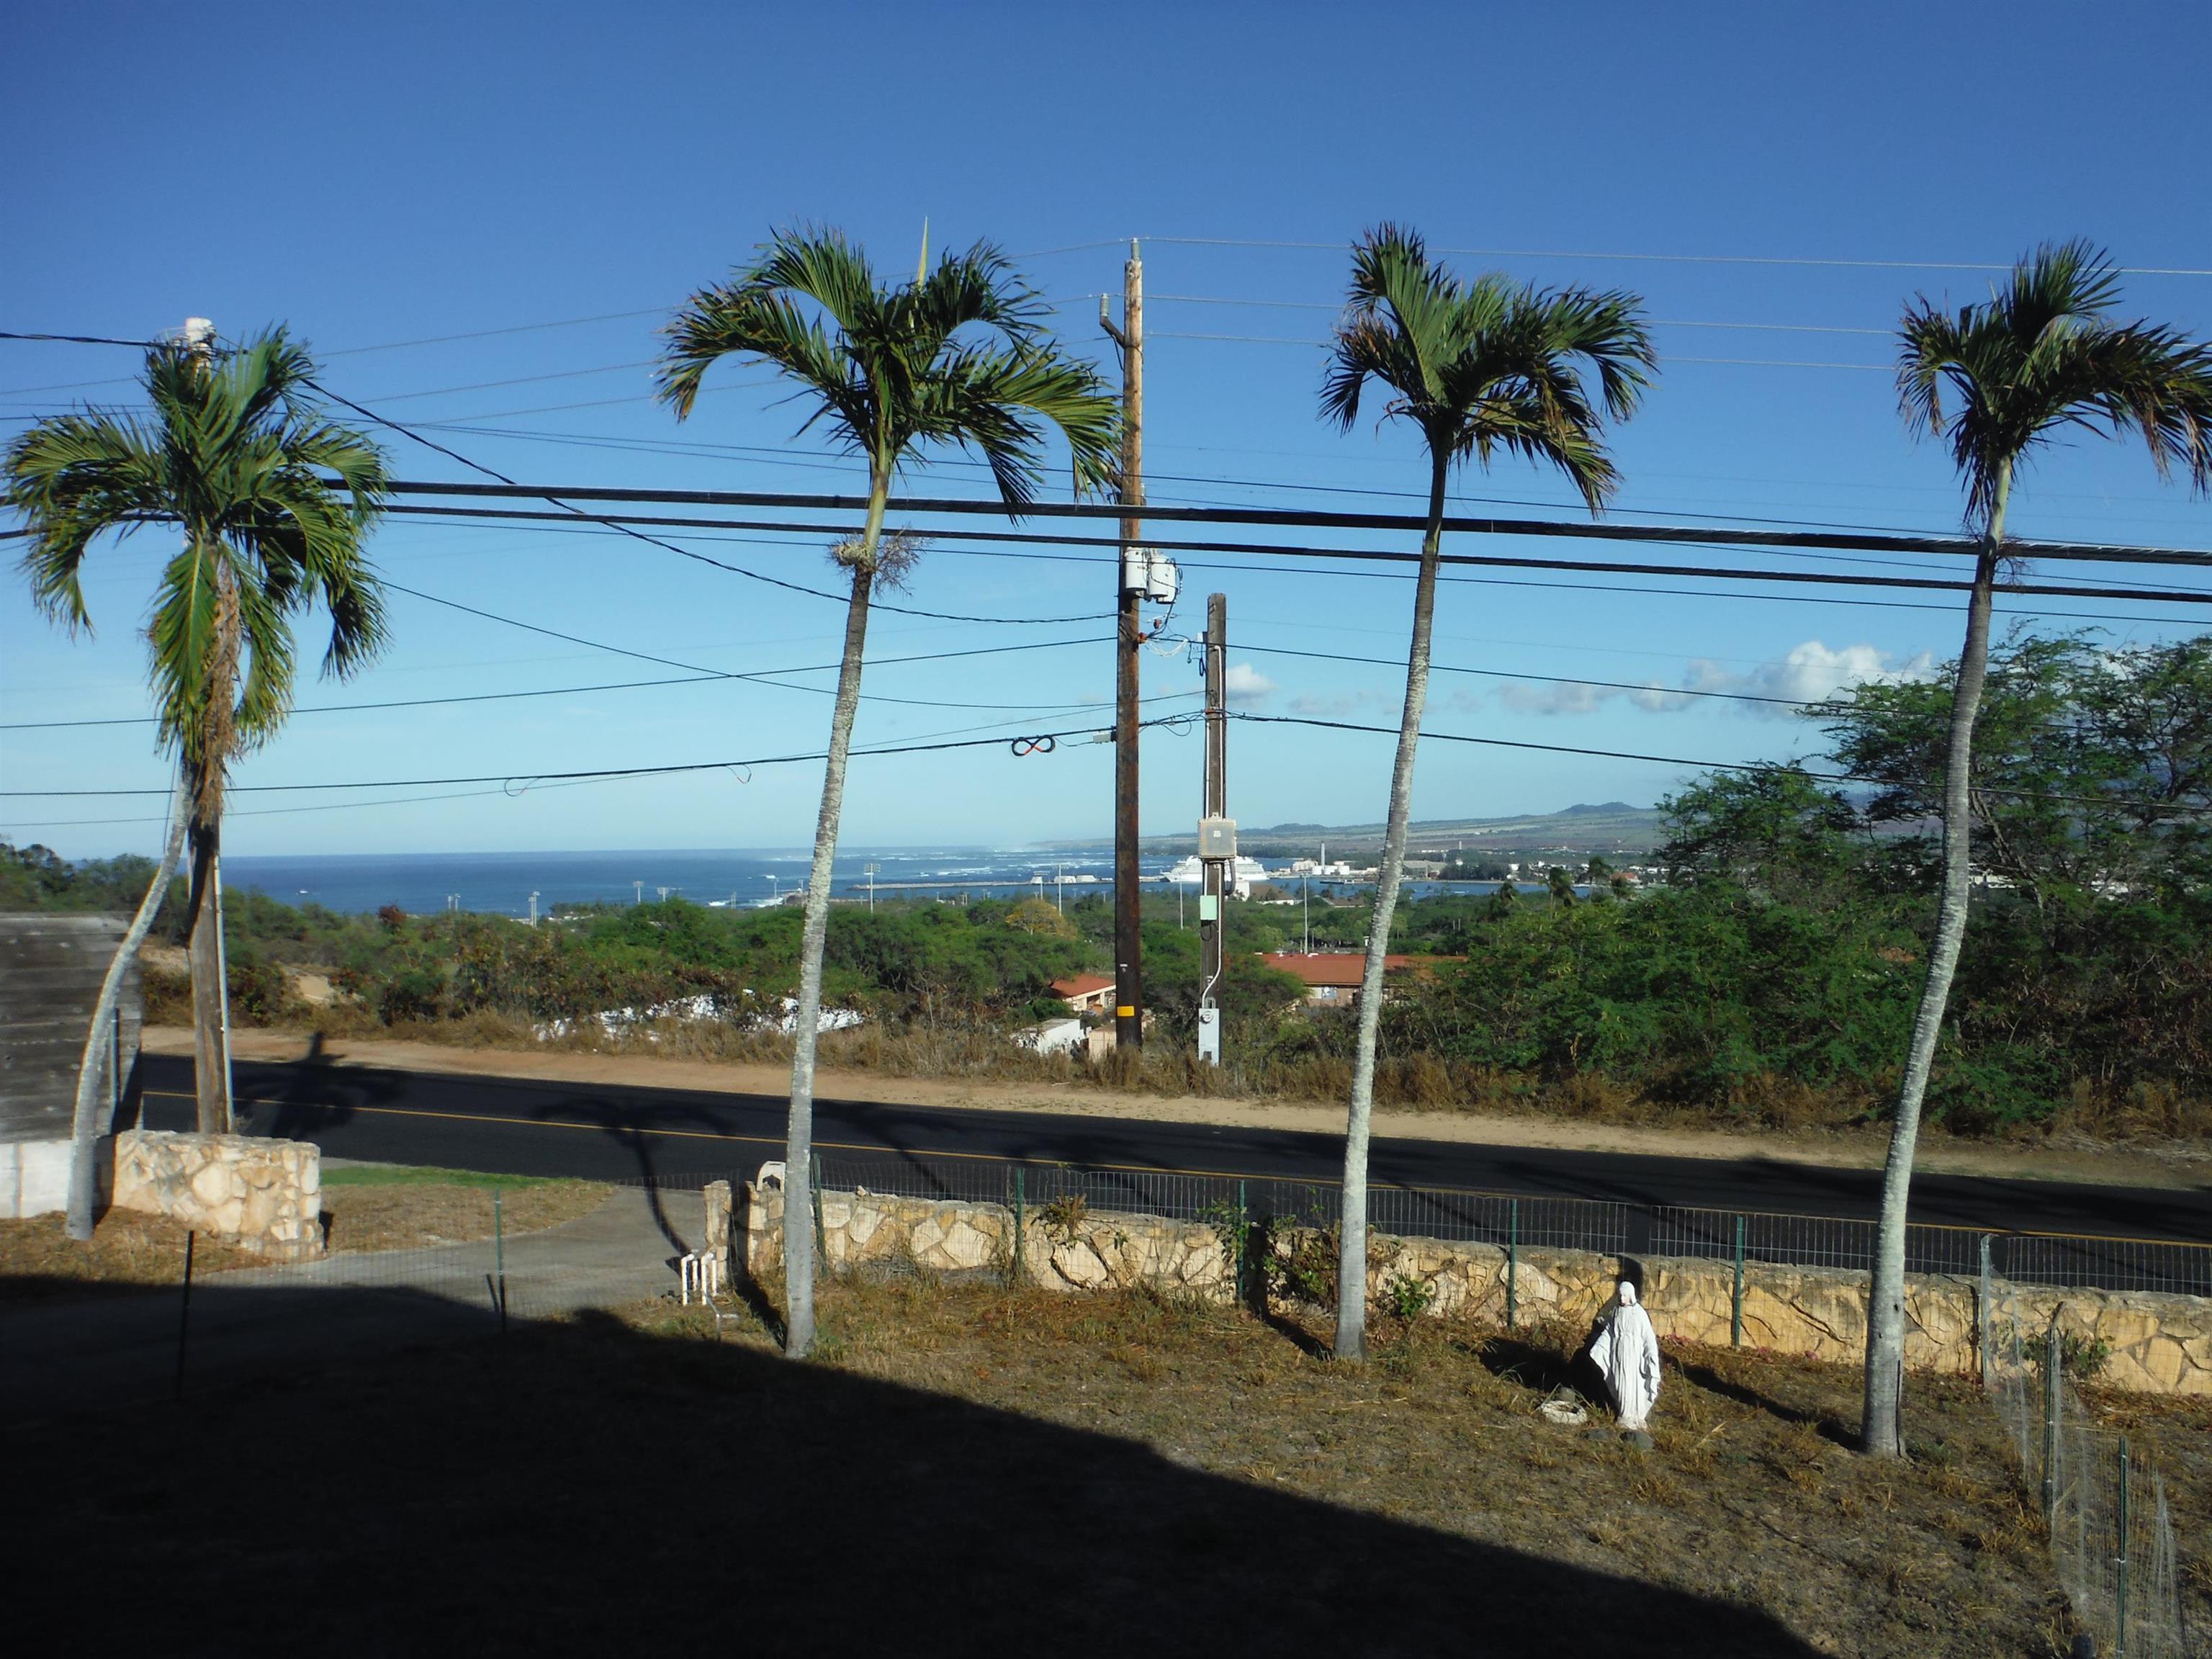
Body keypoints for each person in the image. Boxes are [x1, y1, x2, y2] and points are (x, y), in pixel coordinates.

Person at [1590, 1279, 1661, 1432]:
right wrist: (1599, 1346)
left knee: (1633, 1383)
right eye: (1620, 1295)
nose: (1621, 1299)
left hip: (1633, 1355)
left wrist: (1651, 1353)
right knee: (1620, 1382)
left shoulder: (1639, 1314)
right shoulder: (1616, 1311)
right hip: (1619, 1353)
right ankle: (1624, 1412)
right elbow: (1609, 1330)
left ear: (1631, 1296)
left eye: (1624, 1296)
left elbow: (1648, 1336)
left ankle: (1636, 1414)